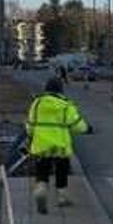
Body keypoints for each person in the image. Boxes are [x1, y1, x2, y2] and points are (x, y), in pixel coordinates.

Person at [26, 77, 92, 214]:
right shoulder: (66, 105)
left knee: (42, 169)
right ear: (61, 90)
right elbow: (77, 125)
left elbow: (30, 126)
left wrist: (32, 134)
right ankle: (62, 196)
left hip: (41, 145)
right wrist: (87, 129)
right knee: (62, 169)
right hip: (60, 146)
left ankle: (41, 190)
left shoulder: (37, 104)